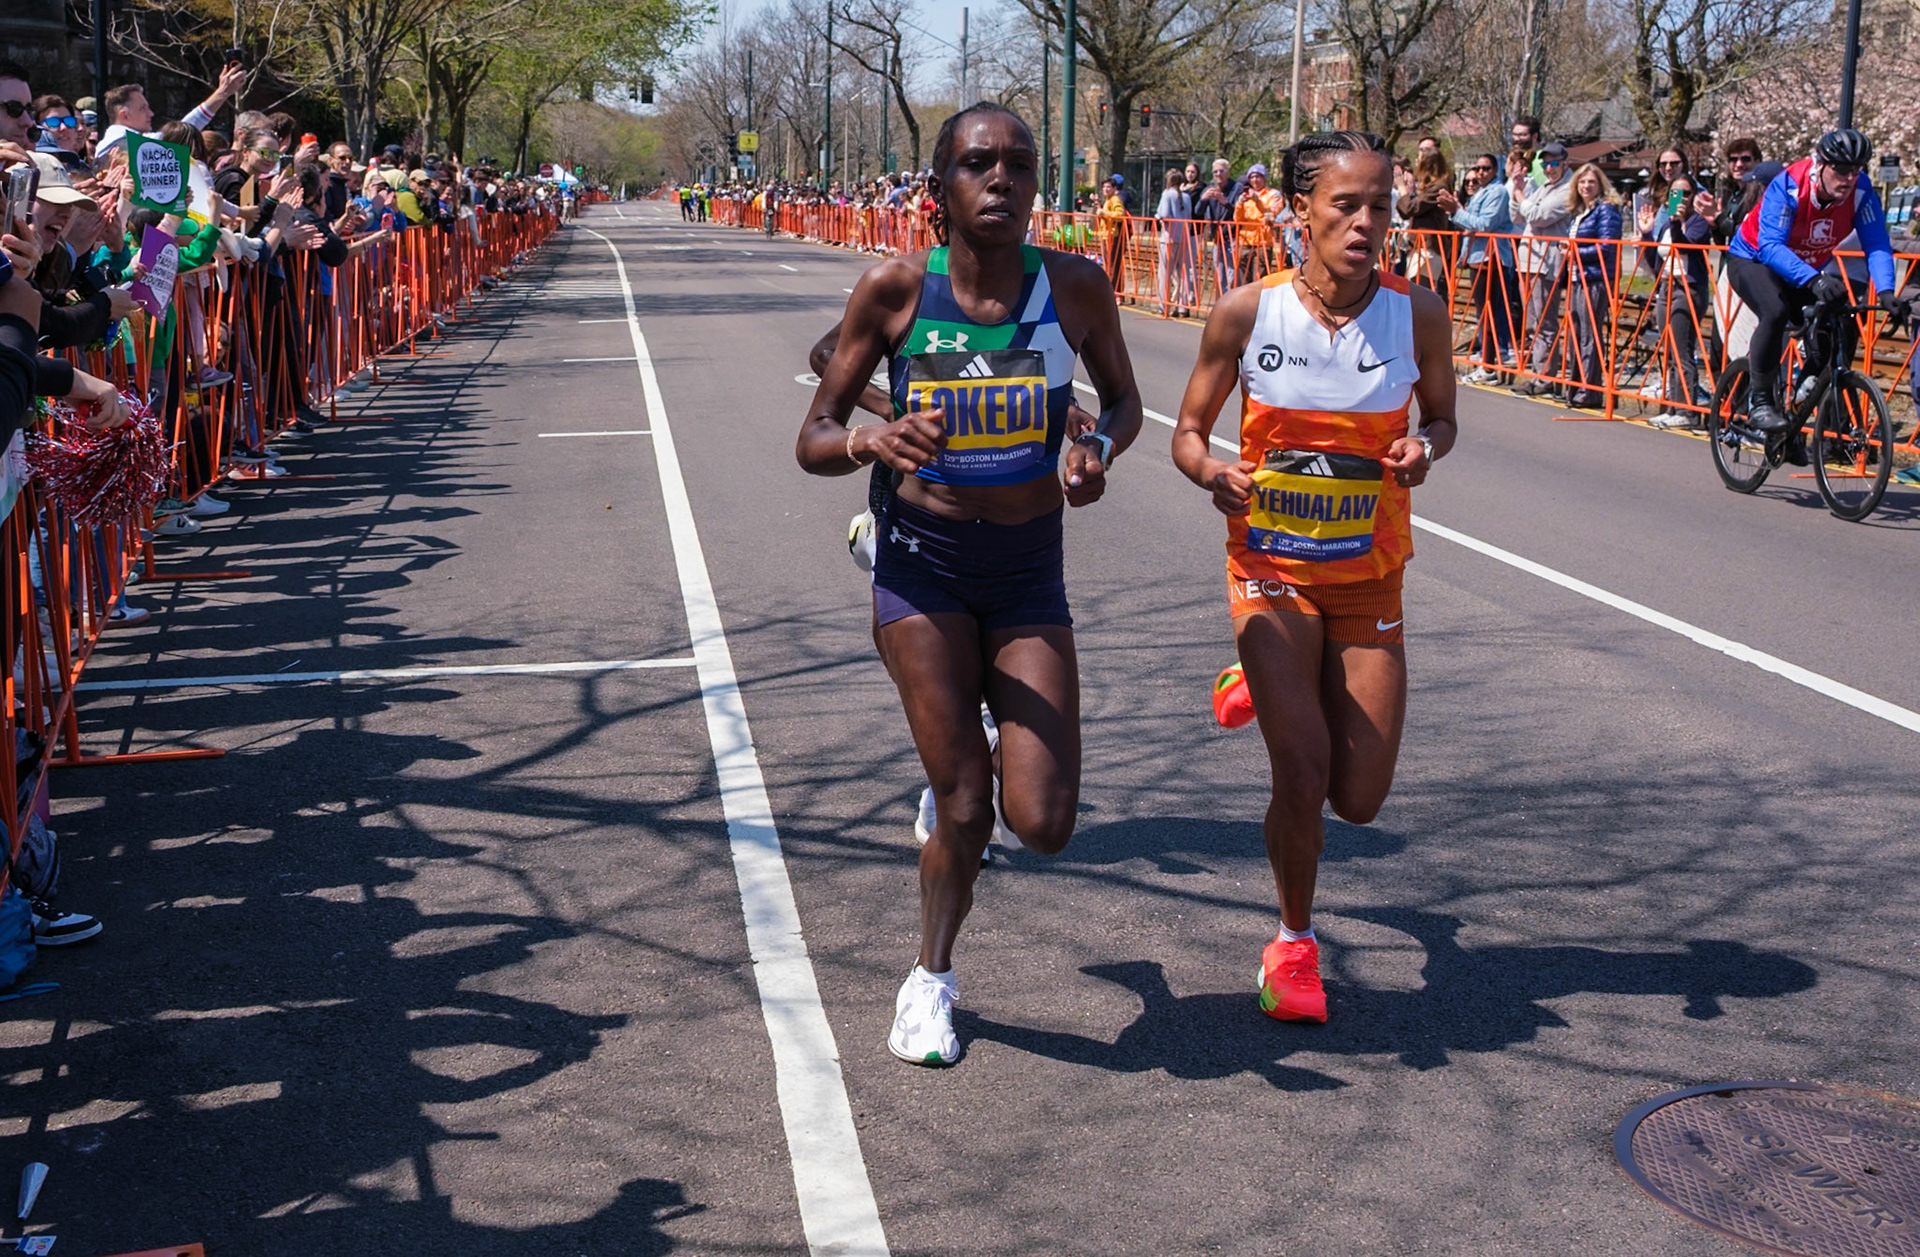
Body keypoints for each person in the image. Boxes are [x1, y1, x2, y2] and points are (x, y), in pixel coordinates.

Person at [795, 101, 1143, 1066]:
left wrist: (1094, 449)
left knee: (1045, 822)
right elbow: (814, 435)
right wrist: (876, 432)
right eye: (980, 164)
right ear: (939, 188)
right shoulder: (898, 289)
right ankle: (929, 980)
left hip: (1029, 569)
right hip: (925, 564)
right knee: (963, 803)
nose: (1003, 181)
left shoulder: (1075, 286)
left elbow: (1123, 402)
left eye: (1020, 166)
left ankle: (976, 733)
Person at [1170, 130, 1456, 1024]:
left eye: (1382, 205)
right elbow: (1186, 432)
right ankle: (1294, 944)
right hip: (1271, 568)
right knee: (1302, 773)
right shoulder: (1247, 313)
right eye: (1347, 205)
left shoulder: (1419, 314)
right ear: (1303, 212)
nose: (1369, 222)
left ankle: (1254, 681)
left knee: (1359, 798)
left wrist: (1423, 448)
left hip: (1369, 573)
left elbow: (1443, 419)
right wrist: (1214, 472)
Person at [1728, 128, 1907, 433]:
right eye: (1841, 169)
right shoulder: (1789, 186)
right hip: (1753, 259)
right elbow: (1770, 247)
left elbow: (1876, 244)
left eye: (1856, 169)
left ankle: (1799, 405)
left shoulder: (1861, 192)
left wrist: (1887, 292)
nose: (1849, 178)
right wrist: (1814, 280)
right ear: (1820, 164)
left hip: (1803, 268)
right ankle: (1760, 403)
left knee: (1838, 321)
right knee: (1775, 310)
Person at [1441, 153, 1519, 381]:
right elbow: (1471, 224)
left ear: (1496, 170)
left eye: (1485, 168)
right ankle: (1487, 358)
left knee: (1489, 313)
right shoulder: (1482, 193)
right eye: (1478, 168)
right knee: (1483, 313)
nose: (1480, 172)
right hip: (1479, 257)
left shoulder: (1497, 192)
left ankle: (1489, 364)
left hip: (1491, 258)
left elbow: (1484, 224)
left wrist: (1456, 211)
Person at [1510, 141, 1573, 395]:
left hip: (1546, 263)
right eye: (1545, 163)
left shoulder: (1568, 189)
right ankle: (1538, 373)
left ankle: (1545, 377)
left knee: (1543, 321)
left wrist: (1520, 196)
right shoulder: (1544, 187)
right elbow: (1517, 216)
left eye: (1554, 163)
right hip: (1529, 259)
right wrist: (1517, 192)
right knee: (1533, 320)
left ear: (1565, 163)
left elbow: (1538, 216)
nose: (1549, 168)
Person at [1562, 163, 1622, 409]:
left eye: (1591, 182)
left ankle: (1590, 389)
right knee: (1577, 333)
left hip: (1595, 278)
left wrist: (1575, 252)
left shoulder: (1605, 210)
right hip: (1578, 276)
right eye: (1582, 182)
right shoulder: (1580, 211)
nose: (1586, 186)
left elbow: (1607, 246)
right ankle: (1575, 385)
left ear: (1600, 185)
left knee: (1590, 335)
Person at [1396, 148, 1454, 291]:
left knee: (1421, 291)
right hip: (1419, 247)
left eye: (1419, 160)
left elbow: (1409, 209)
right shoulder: (1430, 188)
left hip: (1428, 249)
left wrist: (1401, 187)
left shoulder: (1439, 187)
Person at [1234, 162, 1284, 285]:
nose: (1255, 180)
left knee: (1260, 279)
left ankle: (1259, 304)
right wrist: (1239, 204)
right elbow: (1237, 219)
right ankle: (1245, 304)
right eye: (1252, 177)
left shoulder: (1273, 194)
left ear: (1264, 178)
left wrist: (1257, 201)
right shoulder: (1245, 195)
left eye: (1258, 176)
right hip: (1245, 242)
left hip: (1263, 242)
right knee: (1244, 278)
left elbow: (1271, 214)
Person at [1155, 167, 1195, 316]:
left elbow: (1164, 213)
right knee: (1182, 273)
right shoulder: (1186, 197)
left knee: (1165, 274)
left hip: (1169, 238)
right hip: (1183, 237)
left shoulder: (1167, 194)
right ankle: (1182, 306)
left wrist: (1157, 216)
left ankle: (1164, 305)